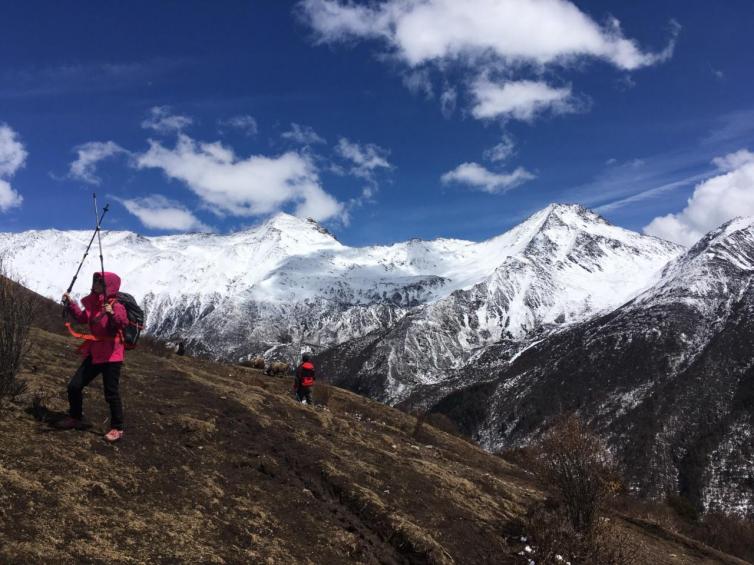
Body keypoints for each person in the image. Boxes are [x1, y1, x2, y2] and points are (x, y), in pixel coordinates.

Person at [56, 272, 129, 442]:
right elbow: (83, 318)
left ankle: (117, 428)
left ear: (108, 285)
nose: (95, 282)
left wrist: (112, 313)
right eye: (95, 280)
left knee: (111, 393)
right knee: (74, 386)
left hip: (112, 356)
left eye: (100, 281)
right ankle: (75, 417)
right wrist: (71, 303)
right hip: (96, 353)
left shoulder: (116, 305)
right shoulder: (95, 303)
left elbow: (121, 323)